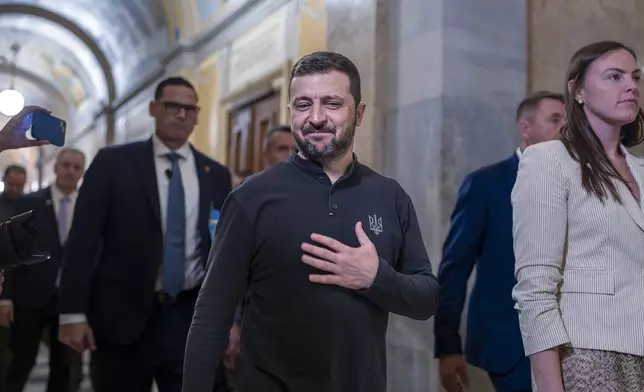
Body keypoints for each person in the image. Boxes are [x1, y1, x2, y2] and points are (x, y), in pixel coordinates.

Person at [182, 51, 440, 392]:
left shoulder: (390, 196)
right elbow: (211, 314)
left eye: (332, 103)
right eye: (303, 105)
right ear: (290, 112)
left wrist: (375, 277)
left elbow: (426, 299)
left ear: (358, 113)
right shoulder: (251, 197)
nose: (316, 117)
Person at [56, 77, 232, 392]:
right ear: (153, 108)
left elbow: (222, 250)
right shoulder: (114, 164)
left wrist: (231, 317)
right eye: (173, 106)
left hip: (189, 319)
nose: (181, 115)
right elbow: (82, 240)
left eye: (189, 109)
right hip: (121, 319)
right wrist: (72, 312)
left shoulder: (215, 175)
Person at [512, 40, 644, 392]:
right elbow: (535, 290)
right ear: (578, 91)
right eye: (614, 76)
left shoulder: (641, 170)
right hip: (587, 355)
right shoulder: (550, 161)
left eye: (635, 76)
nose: (631, 85)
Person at [435, 91, 565, 392]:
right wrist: (447, 346)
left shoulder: (576, 182)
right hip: (507, 347)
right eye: (555, 120)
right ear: (525, 129)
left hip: (569, 344)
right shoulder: (485, 184)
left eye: (567, 120)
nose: (565, 128)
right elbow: (454, 268)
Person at [0, 148, 86, 392]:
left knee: (65, 370)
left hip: (70, 303)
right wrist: (4, 298)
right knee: (19, 364)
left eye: (76, 167)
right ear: (55, 168)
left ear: (81, 173)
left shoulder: (89, 206)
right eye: (66, 165)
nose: (70, 171)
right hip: (30, 299)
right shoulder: (30, 202)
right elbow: (11, 249)